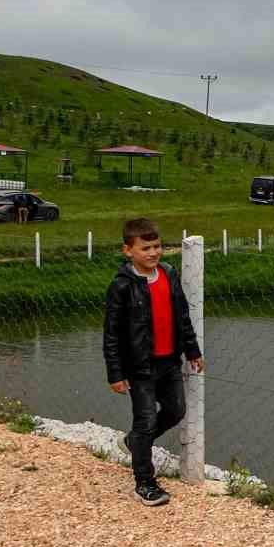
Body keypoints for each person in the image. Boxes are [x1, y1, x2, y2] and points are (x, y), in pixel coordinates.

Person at [103, 217, 205, 506]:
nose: (153, 253)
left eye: (157, 246)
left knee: (176, 410)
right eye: (145, 248)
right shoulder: (121, 286)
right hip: (140, 367)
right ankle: (144, 483)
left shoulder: (169, 274)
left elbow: (182, 316)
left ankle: (135, 442)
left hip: (169, 362)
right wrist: (115, 373)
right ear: (128, 251)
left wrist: (193, 351)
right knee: (146, 421)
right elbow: (111, 333)